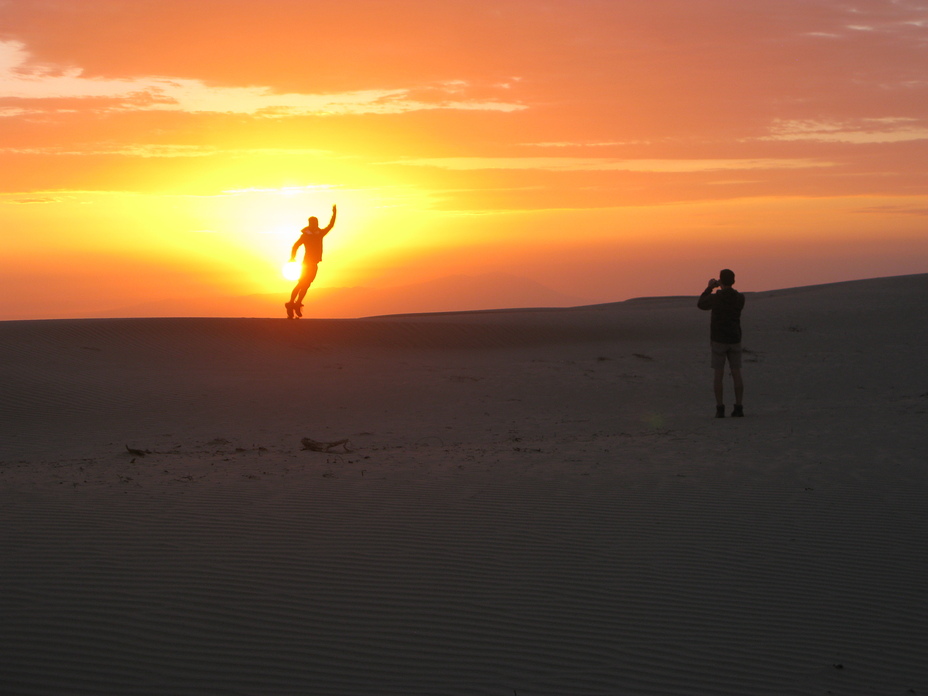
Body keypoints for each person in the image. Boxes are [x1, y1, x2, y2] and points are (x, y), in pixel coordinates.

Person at [697, 268, 745, 417]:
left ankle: (720, 408)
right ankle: (738, 407)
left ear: (721, 281)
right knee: (736, 372)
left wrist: (710, 287)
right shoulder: (740, 297)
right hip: (734, 338)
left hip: (719, 339)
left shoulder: (717, 297)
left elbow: (701, 304)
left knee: (719, 374)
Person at [286, 205, 337, 319]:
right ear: (310, 224)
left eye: (316, 223)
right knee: (301, 284)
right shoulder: (305, 236)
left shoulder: (320, 234)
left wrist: (334, 214)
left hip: (314, 264)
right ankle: (291, 304)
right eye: (314, 223)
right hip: (306, 264)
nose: (316, 225)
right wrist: (292, 257)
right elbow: (295, 246)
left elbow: (331, 225)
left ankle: (297, 303)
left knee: (306, 285)